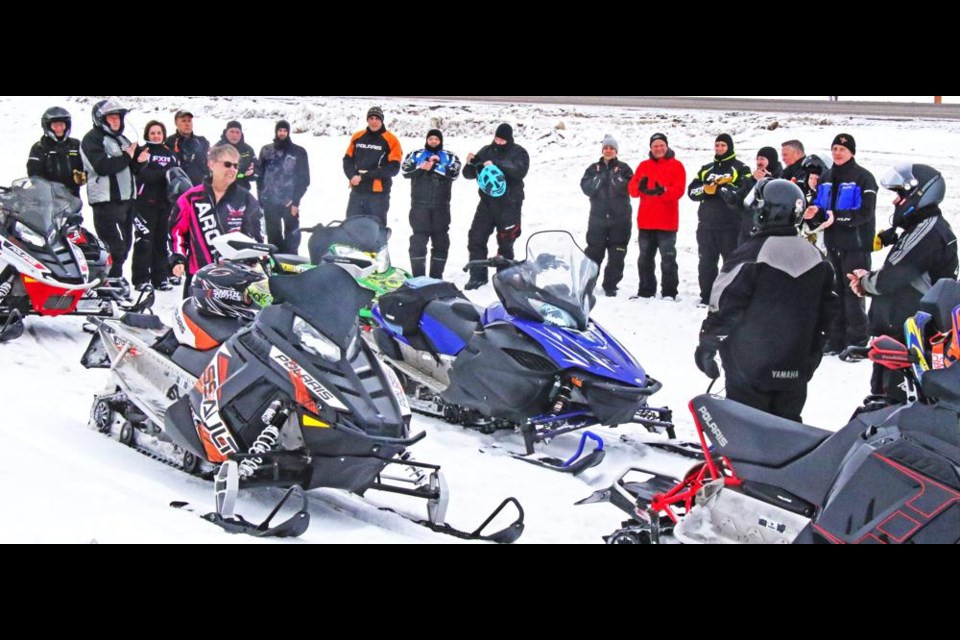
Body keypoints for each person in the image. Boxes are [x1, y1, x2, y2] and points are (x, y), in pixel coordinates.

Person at [696, 179, 837, 422]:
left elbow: (724, 306)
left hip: (749, 366)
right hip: (795, 367)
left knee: (745, 430)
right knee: (786, 432)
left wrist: (707, 347)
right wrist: (811, 358)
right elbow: (829, 316)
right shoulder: (817, 257)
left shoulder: (751, 254)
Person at [849, 163, 958, 394]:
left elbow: (893, 277)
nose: (896, 202)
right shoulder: (921, 227)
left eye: (900, 194)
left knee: (891, 402)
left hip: (909, 337)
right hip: (901, 333)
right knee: (882, 395)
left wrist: (865, 282)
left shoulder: (927, 231)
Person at [803, 133, 878, 355]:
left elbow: (865, 212)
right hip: (832, 244)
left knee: (853, 293)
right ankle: (835, 338)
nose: (837, 153)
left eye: (842, 149)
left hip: (855, 245)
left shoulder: (864, 177)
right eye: (834, 148)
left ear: (851, 152)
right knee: (835, 292)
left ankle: (857, 339)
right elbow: (819, 209)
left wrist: (838, 216)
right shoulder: (826, 176)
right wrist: (812, 212)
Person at [170, 144, 264, 297]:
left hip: (235, 278)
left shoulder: (246, 198)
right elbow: (176, 232)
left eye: (235, 165)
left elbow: (256, 235)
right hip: (198, 276)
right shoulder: (190, 198)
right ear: (211, 164)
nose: (232, 169)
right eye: (227, 164)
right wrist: (178, 259)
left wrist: (254, 258)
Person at [462, 123, 530, 289]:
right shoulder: (486, 150)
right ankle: (477, 277)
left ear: (509, 139)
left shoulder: (519, 153)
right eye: (497, 138)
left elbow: (519, 172)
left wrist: (496, 166)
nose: (498, 142)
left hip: (509, 204)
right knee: (476, 238)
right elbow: (468, 174)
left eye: (502, 140)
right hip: (486, 204)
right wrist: (471, 163)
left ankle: (504, 281)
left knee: (505, 243)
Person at [687, 134, 753, 305]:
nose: (720, 148)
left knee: (731, 263)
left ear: (729, 147)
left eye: (723, 145)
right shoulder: (706, 169)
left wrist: (723, 188)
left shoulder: (741, 168)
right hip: (707, 225)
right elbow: (691, 192)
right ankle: (707, 295)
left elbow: (744, 192)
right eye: (717, 145)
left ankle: (731, 297)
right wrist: (706, 189)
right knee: (706, 262)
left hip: (731, 225)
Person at [80, 99, 137, 279]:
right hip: (106, 200)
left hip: (126, 199)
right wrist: (128, 155)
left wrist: (139, 160)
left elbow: (131, 166)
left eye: (118, 118)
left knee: (126, 244)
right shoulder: (92, 139)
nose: (116, 121)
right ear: (101, 119)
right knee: (114, 245)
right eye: (111, 118)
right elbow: (102, 166)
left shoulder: (121, 138)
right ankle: (108, 279)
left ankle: (115, 278)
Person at [628, 132, 685, 299]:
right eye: (655, 146)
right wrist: (640, 186)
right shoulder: (643, 166)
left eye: (661, 145)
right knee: (644, 259)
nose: (658, 149)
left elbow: (679, 190)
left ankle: (669, 292)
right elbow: (632, 191)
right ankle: (646, 290)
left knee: (668, 259)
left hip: (667, 221)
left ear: (666, 146)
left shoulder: (677, 166)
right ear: (651, 148)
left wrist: (664, 191)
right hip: (646, 221)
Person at [400, 128, 461, 279]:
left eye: (436, 139)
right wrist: (422, 168)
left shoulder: (450, 156)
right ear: (426, 140)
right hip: (419, 206)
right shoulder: (416, 154)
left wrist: (434, 166)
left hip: (441, 207)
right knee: (418, 242)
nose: (433, 141)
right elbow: (405, 170)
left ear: (441, 141)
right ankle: (418, 277)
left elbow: (454, 172)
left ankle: (436, 277)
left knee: (441, 241)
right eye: (431, 139)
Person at [580, 134, 633, 296]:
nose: (608, 151)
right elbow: (586, 187)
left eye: (611, 148)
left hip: (620, 218)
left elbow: (631, 188)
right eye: (606, 148)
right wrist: (600, 178)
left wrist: (616, 179)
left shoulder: (624, 168)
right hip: (598, 218)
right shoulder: (593, 168)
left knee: (617, 253)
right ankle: (588, 283)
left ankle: (611, 285)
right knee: (594, 252)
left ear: (616, 151)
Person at [131, 121, 179, 291]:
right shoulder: (143, 151)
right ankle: (141, 279)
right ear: (147, 134)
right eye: (152, 133)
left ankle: (161, 277)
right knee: (144, 241)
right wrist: (163, 174)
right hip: (144, 203)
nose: (156, 136)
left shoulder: (171, 153)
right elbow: (142, 174)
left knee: (161, 241)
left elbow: (176, 175)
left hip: (165, 203)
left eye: (159, 133)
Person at [256, 120, 310, 254]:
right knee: (273, 238)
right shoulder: (266, 150)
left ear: (288, 132)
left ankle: (292, 264)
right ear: (276, 131)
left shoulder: (298, 152)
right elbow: (260, 176)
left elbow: (304, 179)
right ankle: (276, 265)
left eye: (285, 130)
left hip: (289, 202)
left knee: (292, 237)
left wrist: (296, 201)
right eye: (280, 130)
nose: (282, 133)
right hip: (270, 201)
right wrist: (261, 198)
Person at [342, 106, 402, 225]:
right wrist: (351, 176)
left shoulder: (391, 140)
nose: (374, 121)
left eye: (377, 119)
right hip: (357, 190)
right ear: (367, 120)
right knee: (351, 224)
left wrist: (366, 176)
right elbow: (347, 160)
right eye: (371, 118)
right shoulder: (357, 137)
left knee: (376, 227)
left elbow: (394, 168)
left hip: (378, 193)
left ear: (382, 120)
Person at [26, 106, 85, 198]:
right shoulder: (39, 148)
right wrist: (48, 187)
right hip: (48, 199)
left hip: (72, 197)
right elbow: (34, 174)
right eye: (55, 125)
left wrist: (82, 175)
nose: (59, 128)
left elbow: (86, 166)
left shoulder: (76, 145)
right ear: (48, 127)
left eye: (62, 124)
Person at [166, 109, 210, 186]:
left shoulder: (202, 141)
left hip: (199, 186)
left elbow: (208, 164)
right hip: (178, 186)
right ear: (176, 123)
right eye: (183, 121)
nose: (187, 124)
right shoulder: (170, 141)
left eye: (189, 121)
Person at [219, 120, 257, 191]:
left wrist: (252, 173)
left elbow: (257, 171)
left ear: (241, 134)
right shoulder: (217, 149)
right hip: (222, 192)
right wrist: (242, 174)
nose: (234, 135)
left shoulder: (248, 149)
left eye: (237, 132)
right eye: (232, 131)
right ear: (226, 132)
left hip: (243, 192)